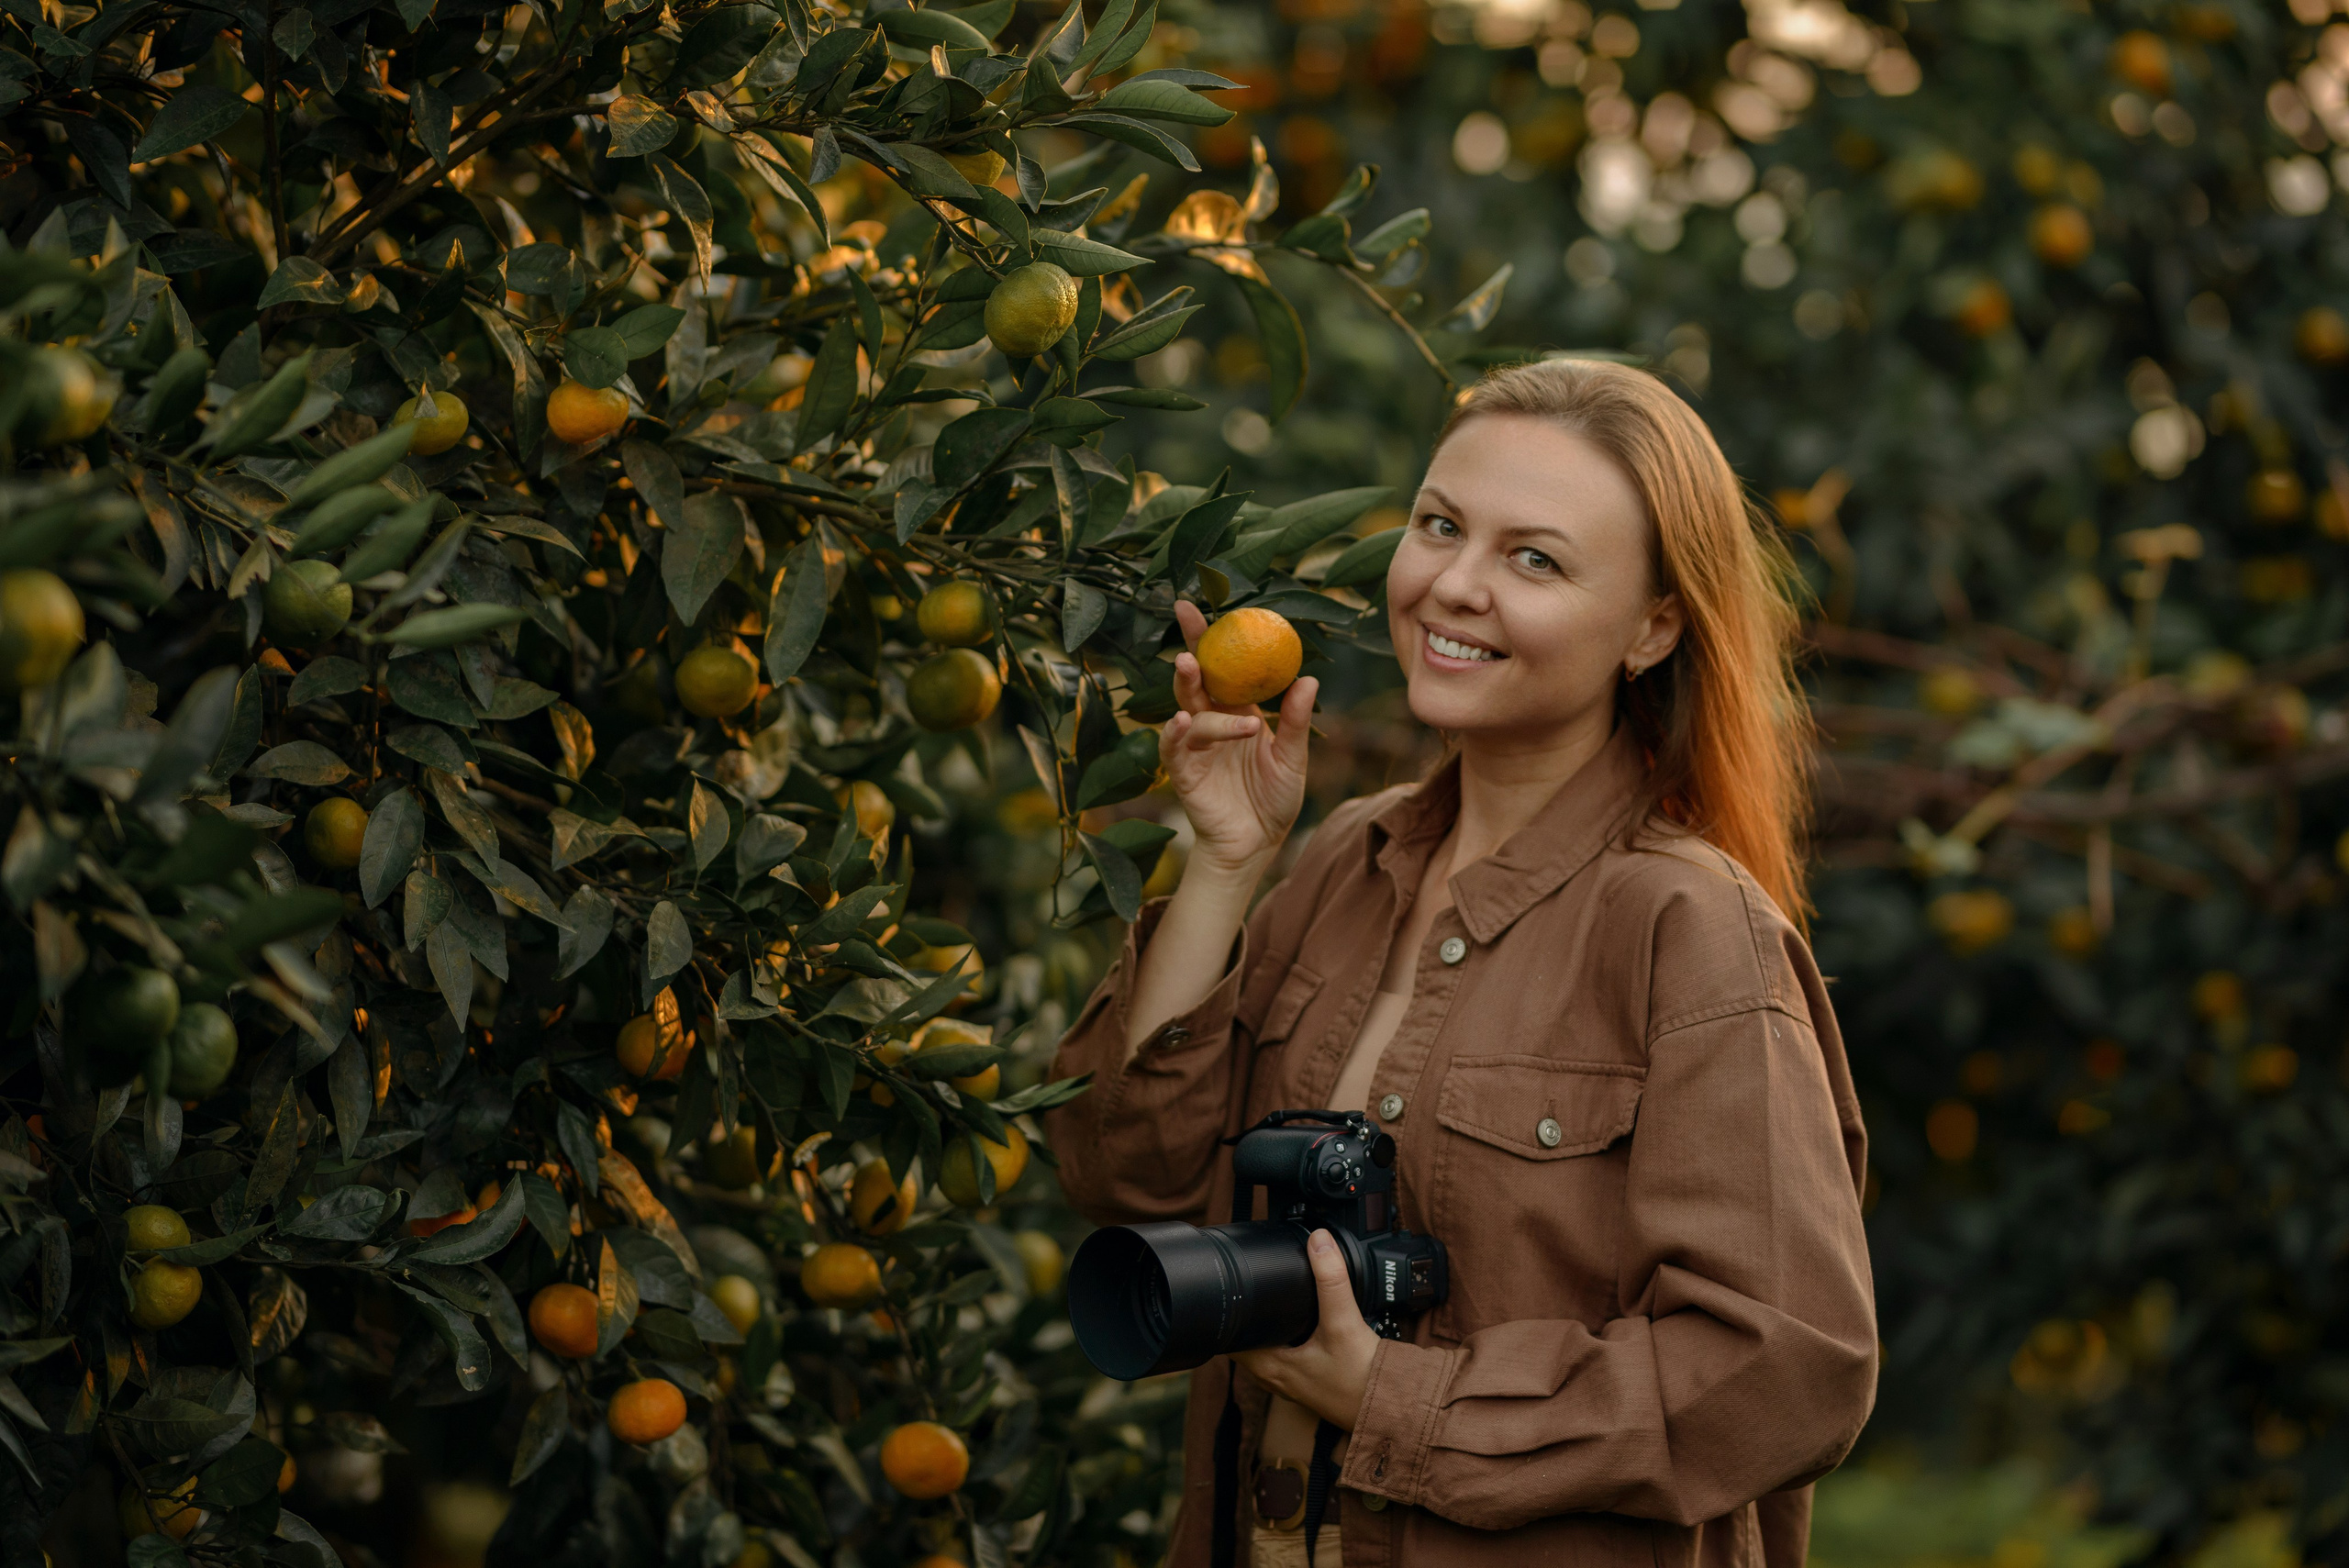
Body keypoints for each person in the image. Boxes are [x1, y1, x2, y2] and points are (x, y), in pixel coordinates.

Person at [1046, 358, 1877, 1568]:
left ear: (1653, 628)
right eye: (1440, 526)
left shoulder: (1688, 928)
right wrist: (1224, 864)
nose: (1454, 585)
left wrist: (1403, 1400)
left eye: (1534, 559)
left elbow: (1786, 1365)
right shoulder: (1346, 859)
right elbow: (1122, 1174)